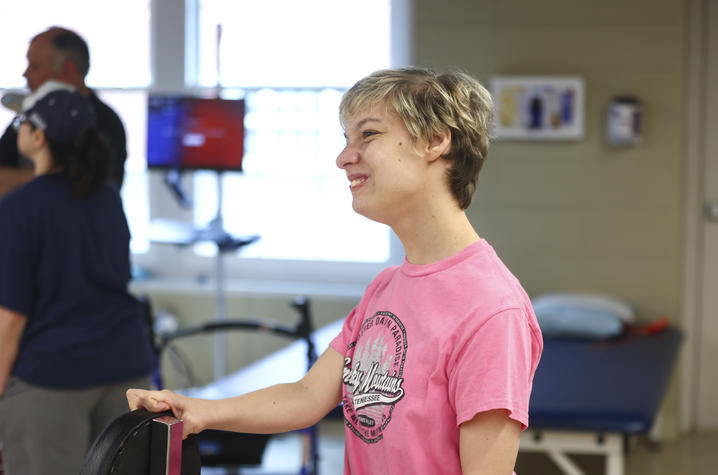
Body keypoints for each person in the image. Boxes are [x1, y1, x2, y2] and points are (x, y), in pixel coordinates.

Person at [127, 67, 543, 474]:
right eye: (347, 139)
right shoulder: (385, 287)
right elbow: (307, 396)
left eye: (369, 134)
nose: (344, 158)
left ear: (435, 140)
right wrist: (198, 410)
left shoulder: (492, 310)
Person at [0, 84, 154, 475]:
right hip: (126, 371)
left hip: (53, 379)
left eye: (22, 121)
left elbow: (12, 319)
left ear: (37, 138)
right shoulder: (107, 197)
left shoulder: (17, 209)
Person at [0, 26, 127, 196]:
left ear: (68, 69)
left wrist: (26, 179)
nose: (25, 74)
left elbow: (97, 191)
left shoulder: (106, 122)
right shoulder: (29, 116)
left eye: (35, 66)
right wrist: (55, 177)